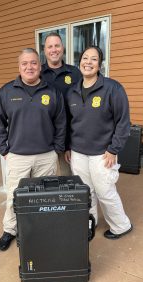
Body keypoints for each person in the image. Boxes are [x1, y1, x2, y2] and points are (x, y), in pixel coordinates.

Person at [0, 48, 66, 251]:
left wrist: (57, 149)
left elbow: (61, 122)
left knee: (44, 196)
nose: (29, 67)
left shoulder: (52, 92)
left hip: (46, 156)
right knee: (14, 197)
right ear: (19, 67)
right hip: (17, 156)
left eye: (33, 63)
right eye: (25, 63)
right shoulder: (6, 91)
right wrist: (4, 150)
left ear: (40, 66)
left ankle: (42, 229)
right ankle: (10, 230)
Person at [65, 46, 133, 239]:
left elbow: (123, 122)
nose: (88, 62)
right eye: (85, 58)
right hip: (78, 152)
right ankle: (90, 222)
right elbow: (70, 123)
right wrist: (69, 146)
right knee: (86, 192)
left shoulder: (113, 88)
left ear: (100, 64)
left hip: (103, 153)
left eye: (93, 59)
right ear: (80, 63)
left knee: (105, 192)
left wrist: (113, 149)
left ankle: (121, 225)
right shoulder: (72, 92)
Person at [41, 32, 82, 175]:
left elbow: (82, 107)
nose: (54, 50)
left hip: (68, 141)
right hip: (43, 141)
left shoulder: (75, 73)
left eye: (57, 45)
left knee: (68, 182)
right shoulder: (37, 74)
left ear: (62, 48)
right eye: (49, 46)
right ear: (44, 50)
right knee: (46, 185)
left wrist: (70, 145)